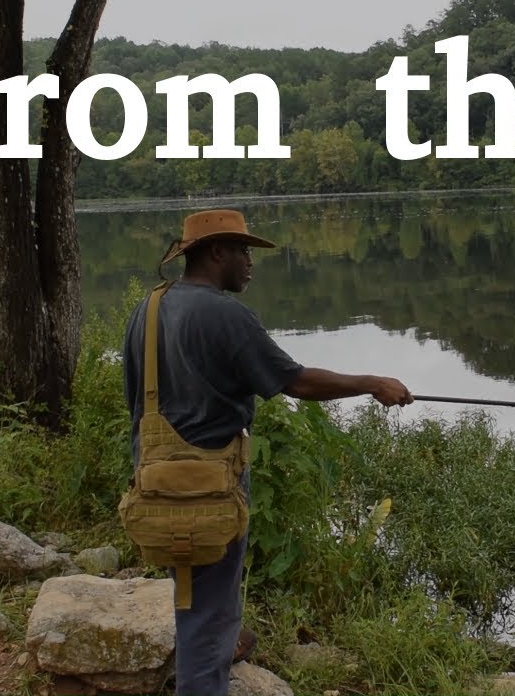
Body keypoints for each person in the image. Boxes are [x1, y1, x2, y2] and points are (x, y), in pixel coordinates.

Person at [121, 208, 413, 696]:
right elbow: (295, 381)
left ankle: (223, 638)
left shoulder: (147, 309)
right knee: (208, 618)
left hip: (154, 489)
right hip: (207, 493)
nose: (250, 263)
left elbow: (135, 399)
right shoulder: (224, 314)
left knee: (197, 596)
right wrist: (373, 383)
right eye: (243, 251)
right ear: (216, 253)